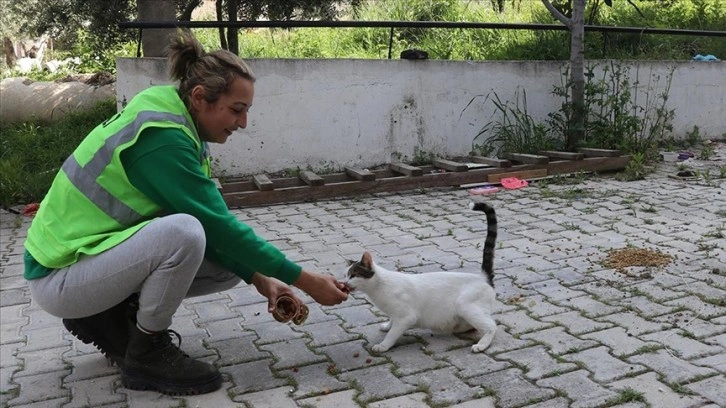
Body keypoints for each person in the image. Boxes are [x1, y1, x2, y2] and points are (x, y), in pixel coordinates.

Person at [23, 29, 349, 396]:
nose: (243, 123)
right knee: (186, 233)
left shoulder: (174, 113)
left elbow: (222, 235)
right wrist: (307, 280)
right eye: (236, 110)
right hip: (60, 276)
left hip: (87, 261)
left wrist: (262, 279)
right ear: (200, 98)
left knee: (228, 263)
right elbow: (219, 228)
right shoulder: (161, 137)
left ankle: (108, 319)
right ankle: (147, 351)